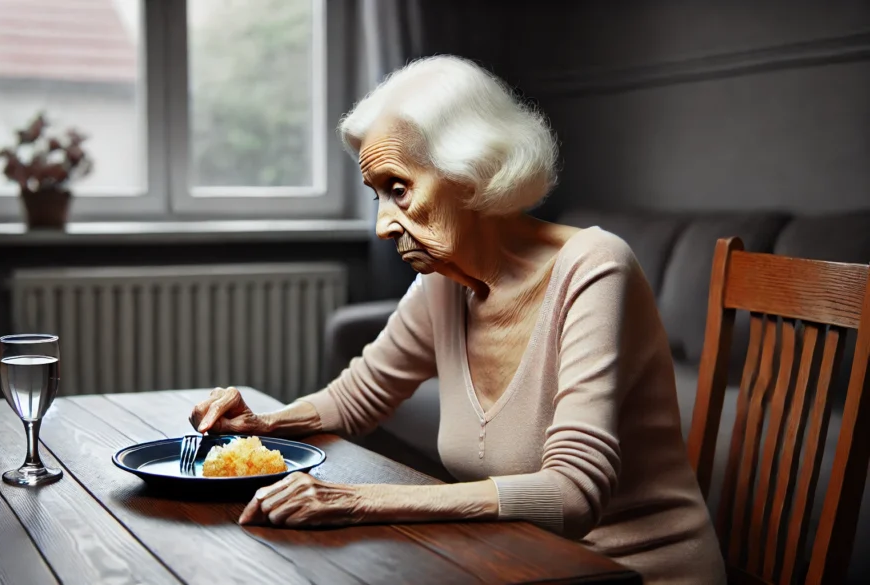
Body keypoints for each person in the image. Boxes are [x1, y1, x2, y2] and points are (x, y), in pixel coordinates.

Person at [191, 55, 726, 583]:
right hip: (517, 562)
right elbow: (357, 397)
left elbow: (572, 492)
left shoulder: (595, 266)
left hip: (632, 573)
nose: (382, 225)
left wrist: (358, 500)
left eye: (398, 189)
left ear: (470, 173)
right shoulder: (442, 281)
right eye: (376, 195)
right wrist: (263, 424)